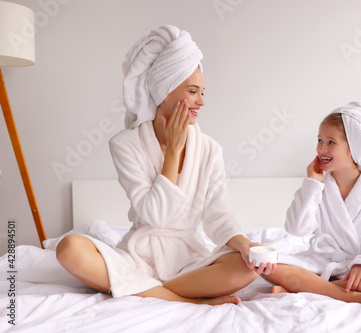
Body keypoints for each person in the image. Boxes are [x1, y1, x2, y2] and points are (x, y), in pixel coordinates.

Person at [56, 25, 275, 306]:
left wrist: (245, 245)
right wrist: (173, 152)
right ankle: (188, 300)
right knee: (70, 248)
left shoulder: (209, 149)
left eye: (202, 92)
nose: (201, 102)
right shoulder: (126, 144)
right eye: (193, 91)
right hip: (137, 259)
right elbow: (155, 216)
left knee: (244, 267)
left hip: (188, 264)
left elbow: (218, 216)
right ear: (165, 92)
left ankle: (147, 290)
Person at [263, 101, 361, 308]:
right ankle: (343, 292)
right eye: (319, 140)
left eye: (331, 142)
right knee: (266, 264)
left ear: (355, 148)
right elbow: (296, 229)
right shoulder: (317, 186)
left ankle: (306, 286)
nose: (321, 148)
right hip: (324, 262)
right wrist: (312, 184)